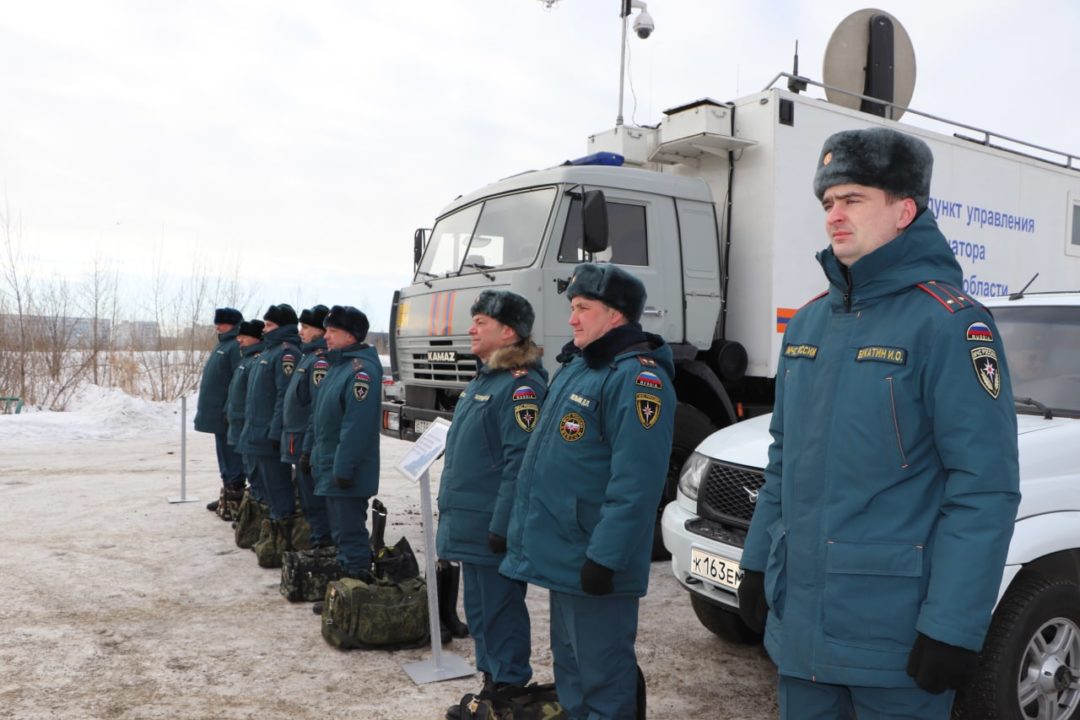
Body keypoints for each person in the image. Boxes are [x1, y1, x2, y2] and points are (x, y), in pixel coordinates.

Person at [737, 127, 1021, 719]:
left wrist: (952, 625)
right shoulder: (809, 324)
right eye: (828, 203)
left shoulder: (951, 324)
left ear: (904, 210)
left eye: (854, 199)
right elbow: (783, 460)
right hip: (803, 635)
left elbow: (984, 489)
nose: (835, 216)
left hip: (894, 639)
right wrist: (759, 563)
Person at [501, 264, 675, 720]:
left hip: (595, 561)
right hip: (567, 556)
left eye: (583, 308)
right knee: (572, 674)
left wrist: (606, 557)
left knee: (603, 679)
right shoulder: (580, 367)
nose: (573, 318)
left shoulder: (637, 378)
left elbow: (636, 483)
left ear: (615, 316)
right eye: (572, 308)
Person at [437, 290, 547, 714]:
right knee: (481, 611)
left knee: (500, 611)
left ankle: (509, 690)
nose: (471, 328)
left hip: (491, 528)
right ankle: (493, 686)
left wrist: (503, 525)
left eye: (480, 321)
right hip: (472, 523)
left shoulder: (521, 388)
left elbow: (519, 463)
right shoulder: (486, 379)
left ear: (508, 332)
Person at [310, 305, 382, 582]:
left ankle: (356, 590)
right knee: (340, 531)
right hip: (330, 464)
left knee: (350, 533)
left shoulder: (360, 372)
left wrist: (343, 468)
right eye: (326, 330)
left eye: (333, 331)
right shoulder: (338, 366)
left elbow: (356, 427)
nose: (326, 336)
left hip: (346, 471)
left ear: (351, 336)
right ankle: (344, 590)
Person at [237, 303, 303, 567]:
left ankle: (282, 543)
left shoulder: (286, 354)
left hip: (269, 437)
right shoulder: (268, 352)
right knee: (264, 487)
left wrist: (274, 432)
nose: (264, 330)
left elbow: (283, 397)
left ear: (284, 327)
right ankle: (271, 537)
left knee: (279, 490)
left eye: (269, 325)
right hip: (256, 433)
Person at [281, 304, 333, 550]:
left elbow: (317, 407)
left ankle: (321, 546)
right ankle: (316, 541)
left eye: (306, 327)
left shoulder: (320, 361)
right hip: (298, 438)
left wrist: (308, 448)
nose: (300, 331)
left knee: (314, 500)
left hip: (306, 440)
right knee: (307, 498)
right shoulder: (308, 355)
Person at [195, 307, 244, 514]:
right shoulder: (223, 344)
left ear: (233, 324)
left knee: (232, 455)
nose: (217, 326)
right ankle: (227, 493)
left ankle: (236, 494)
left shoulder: (235, 346)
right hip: (216, 412)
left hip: (226, 412)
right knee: (223, 454)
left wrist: (229, 408)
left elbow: (238, 381)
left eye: (221, 323)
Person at [219, 319, 265, 521]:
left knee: (253, 471)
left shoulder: (256, 360)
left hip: (247, 425)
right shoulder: (245, 360)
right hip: (237, 423)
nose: (239, 340)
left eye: (244, 336)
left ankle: (253, 514)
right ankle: (245, 511)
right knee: (244, 465)